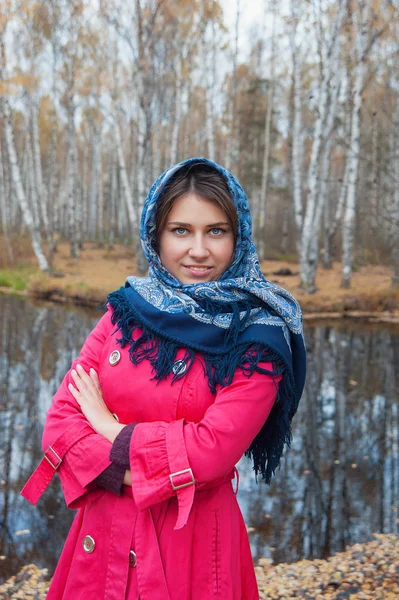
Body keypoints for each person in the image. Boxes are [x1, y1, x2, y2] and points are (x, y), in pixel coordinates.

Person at [21, 157, 306, 600]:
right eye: (180, 230)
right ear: (156, 235)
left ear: (239, 236)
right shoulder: (126, 311)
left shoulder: (257, 337)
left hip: (190, 547)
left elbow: (211, 454)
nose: (198, 249)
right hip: (102, 539)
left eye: (216, 231)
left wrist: (112, 431)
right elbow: (60, 424)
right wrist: (148, 467)